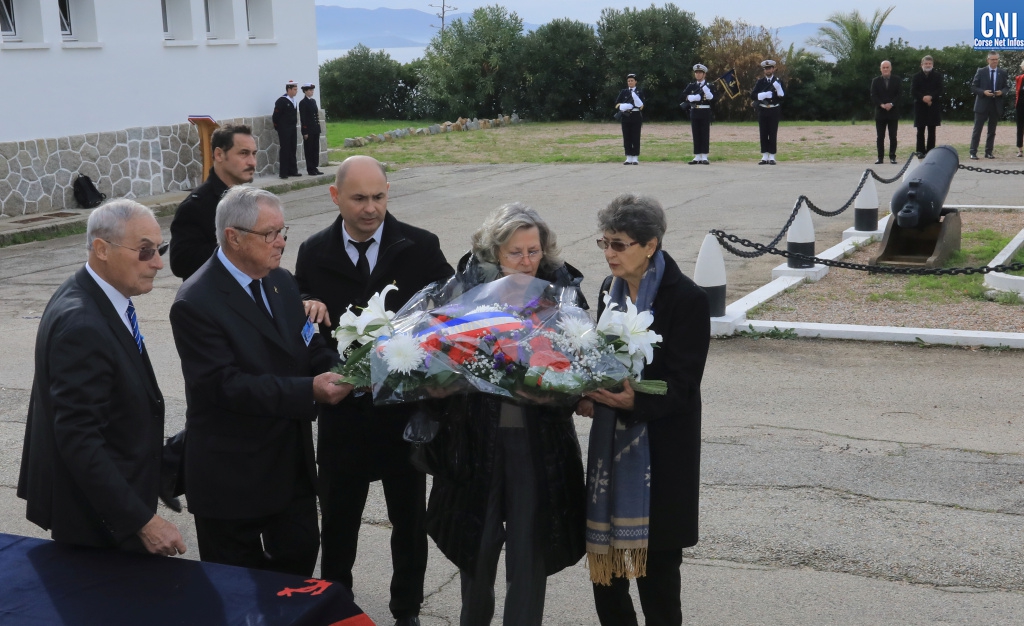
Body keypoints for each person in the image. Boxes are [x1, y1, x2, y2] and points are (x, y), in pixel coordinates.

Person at [294, 155, 454, 626]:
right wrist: (308, 311)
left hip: (402, 415)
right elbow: (305, 326)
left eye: (379, 197)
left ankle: (407, 610)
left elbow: (448, 312)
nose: (371, 208)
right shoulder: (313, 251)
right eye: (359, 198)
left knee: (409, 522)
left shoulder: (420, 246)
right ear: (335, 196)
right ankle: (335, 606)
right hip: (343, 413)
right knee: (338, 523)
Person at [169, 186, 350, 576]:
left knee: (297, 573)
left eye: (282, 230)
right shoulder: (195, 301)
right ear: (233, 237)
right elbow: (226, 385)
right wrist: (309, 390)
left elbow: (308, 345)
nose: (281, 241)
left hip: (290, 470)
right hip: (232, 479)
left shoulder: (281, 281)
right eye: (270, 233)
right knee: (237, 590)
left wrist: (341, 369)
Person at [425, 202, 588, 626]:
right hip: (475, 441)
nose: (526, 261)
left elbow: (583, 366)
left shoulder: (563, 293)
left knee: (530, 553)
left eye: (534, 250)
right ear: (494, 252)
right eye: (515, 252)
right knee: (475, 552)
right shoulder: (465, 292)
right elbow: (436, 355)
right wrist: (439, 387)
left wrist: (557, 394)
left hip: (537, 444)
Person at [17, 199, 186, 558]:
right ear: (102, 249)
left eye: (160, 250)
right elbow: (78, 440)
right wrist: (143, 521)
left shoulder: (95, 294)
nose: (158, 263)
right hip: (97, 523)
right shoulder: (83, 324)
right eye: (145, 251)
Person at [577, 193, 711, 626]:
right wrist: (586, 390)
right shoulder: (608, 289)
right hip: (609, 449)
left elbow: (684, 385)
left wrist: (637, 401)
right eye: (605, 243)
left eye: (619, 244)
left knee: (658, 580)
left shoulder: (686, 299)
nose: (609, 253)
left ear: (650, 245)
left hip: (663, 456)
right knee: (606, 579)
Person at [169, 124, 257, 280]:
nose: (252, 162)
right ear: (219, 155)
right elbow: (180, 263)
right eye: (244, 153)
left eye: (254, 154)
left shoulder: (251, 200)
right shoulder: (196, 206)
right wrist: (236, 244)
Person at [969, 51, 1009, 160]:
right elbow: (973, 87)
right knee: (977, 130)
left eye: (996, 59)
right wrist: (983, 92)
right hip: (982, 104)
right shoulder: (981, 71)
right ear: (988, 60)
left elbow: (1006, 87)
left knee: (992, 131)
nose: (995, 61)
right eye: (992, 59)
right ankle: (973, 152)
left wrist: (1002, 92)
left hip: (995, 104)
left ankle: (989, 152)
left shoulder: (1002, 72)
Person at [750, 59, 785, 165]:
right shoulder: (760, 82)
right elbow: (753, 95)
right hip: (763, 109)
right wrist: (763, 95)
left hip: (774, 109)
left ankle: (772, 156)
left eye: (769, 68)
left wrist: (777, 92)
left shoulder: (778, 81)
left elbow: (783, 97)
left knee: (773, 132)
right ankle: (764, 156)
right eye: (766, 69)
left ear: (773, 69)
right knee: (763, 132)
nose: (768, 70)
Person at [681, 63, 715, 165]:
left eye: (700, 72)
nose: (698, 74)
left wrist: (707, 92)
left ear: (704, 74)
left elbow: (714, 99)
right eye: (696, 72)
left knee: (704, 133)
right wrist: (690, 97)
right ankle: (697, 156)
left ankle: (704, 156)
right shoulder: (691, 85)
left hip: (705, 111)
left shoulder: (710, 86)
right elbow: (682, 96)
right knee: (696, 133)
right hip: (694, 111)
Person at [870, 60, 902, 165]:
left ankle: (892, 157)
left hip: (893, 112)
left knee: (893, 136)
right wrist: (881, 104)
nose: (885, 69)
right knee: (880, 137)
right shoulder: (875, 81)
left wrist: (891, 104)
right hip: (880, 112)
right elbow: (873, 95)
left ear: (891, 68)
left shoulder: (897, 80)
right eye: (883, 67)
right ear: (880, 69)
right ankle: (880, 158)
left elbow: (899, 94)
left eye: (887, 67)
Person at [912, 55, 944, 156]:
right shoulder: (916, 77)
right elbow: (913, 91)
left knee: (932, 131)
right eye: (926, 63)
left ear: (932, 65)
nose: (928, 65)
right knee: (920, 131)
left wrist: (931, 97)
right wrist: (923, 98)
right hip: (920, 106)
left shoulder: (938, 76)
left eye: (930, 63)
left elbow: (940, 89)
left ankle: (931, 152)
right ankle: (920, 151)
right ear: (922, 65)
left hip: (933, 106)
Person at [614, 73, 645, 165]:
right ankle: (628, 157)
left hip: (636, 115)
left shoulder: (639, 91)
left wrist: (635, 104)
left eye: (632, 80)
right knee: (626, 136)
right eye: (628, 81)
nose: (630, 82)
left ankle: (635, 157)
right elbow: (617, 103)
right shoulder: (624, 92)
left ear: (635, 82)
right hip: (625, 115)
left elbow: (642, 105)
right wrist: (624, 106)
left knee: (635, 136)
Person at [273, 80, 301, 179]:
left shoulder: (294, 100)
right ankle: (283, 172)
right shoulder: (281, 101)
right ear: (289, 89)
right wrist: (278, 127)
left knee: (292, 149)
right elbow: (276, 115)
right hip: (284, 129)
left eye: (296, 89)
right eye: (294, 89)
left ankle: (293, 170)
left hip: (292, 128)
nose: (296, 91)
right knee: (285, 149)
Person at [299, 83, 325, 176]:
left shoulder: (313, 101)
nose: (312, 92)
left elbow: (315, 115)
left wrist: (318, 128)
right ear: (305, 91)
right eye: (310, 90)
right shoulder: (303, 102)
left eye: (312, 90)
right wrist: (305, 131)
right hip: (309, 130)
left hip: (315, 129)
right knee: (309, 149)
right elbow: (303, 118)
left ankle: (315, 167)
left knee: (315, 149)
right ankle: (310, 168)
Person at [1015, 60, 1024, 158]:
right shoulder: (1019, 78)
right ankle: (1020, 149)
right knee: (1020, 128)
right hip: (1020, 106)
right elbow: (1017, 92)